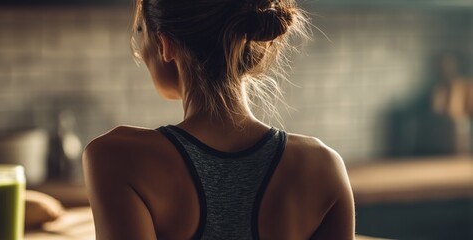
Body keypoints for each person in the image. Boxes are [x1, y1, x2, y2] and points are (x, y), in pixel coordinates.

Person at [83, 0, 355, 239]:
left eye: (141, 30)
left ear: (166, 45)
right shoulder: (325, 167)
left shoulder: (117, 158)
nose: (140, 51)